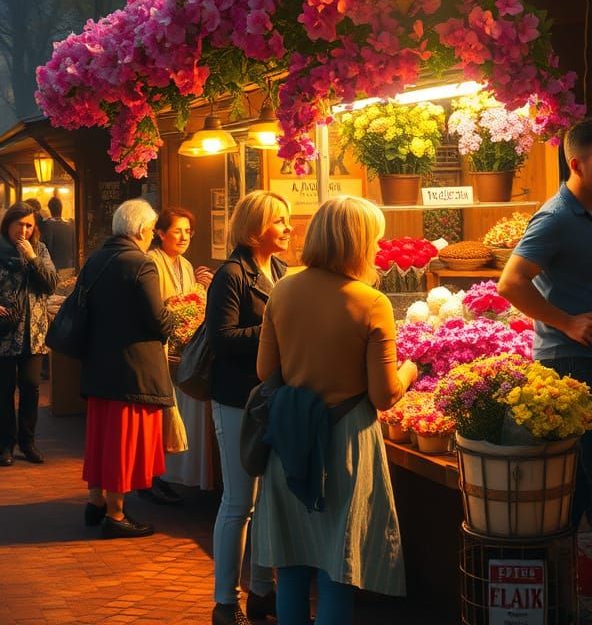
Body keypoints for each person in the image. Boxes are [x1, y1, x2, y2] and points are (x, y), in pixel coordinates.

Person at [250, 196, 417, 625]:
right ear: (358, 242)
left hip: (290, 438)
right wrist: (410, 370)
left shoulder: (283, 288)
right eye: (375, 239)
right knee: (337, 568)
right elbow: (384, 396)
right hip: (346, 445)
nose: (379, 247)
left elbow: (266, 370)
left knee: (291, 568)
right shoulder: (371, 302)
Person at [499, 116, 592, 525]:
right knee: (576, 483)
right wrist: (566, 322)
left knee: (580, 488)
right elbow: (511, 282)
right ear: (577, 165)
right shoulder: (555, 217)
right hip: (569, 363)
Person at [206, 191, 290, 624]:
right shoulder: (231, 275)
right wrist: (272, 328)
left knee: (268, 503)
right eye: (280, 221)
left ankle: (262, 591)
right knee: (238, 503)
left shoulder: (279, 269)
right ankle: (225, 602)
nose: (289, 229)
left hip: (272, 398)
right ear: (256, 226)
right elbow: (222, 340)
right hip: (238, 399)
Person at [79, 198, 174, 539]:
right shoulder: (141, 264)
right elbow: (157, 319)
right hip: (132, 368)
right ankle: (116, 513)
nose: (151, 237)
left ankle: (96, 500)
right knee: (122, 442)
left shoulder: (97, 259)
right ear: (139, 230)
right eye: (150, 231)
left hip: (99, 364)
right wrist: (176, 314)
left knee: (101, 437)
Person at [0, 201, 57, 466]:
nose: (25, 231)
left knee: (31, 387)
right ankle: (6, 444)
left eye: (30, 225)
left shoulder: (39, 250)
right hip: (3, 333)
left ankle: (28, 442)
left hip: (33, 333)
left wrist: (32, 258)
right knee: (4, 390)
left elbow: (50, 284)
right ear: (8, 225)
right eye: (20, 225)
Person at [143, 207, 214, 505]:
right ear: (160, 233)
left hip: (182, 351)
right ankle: (150, 477)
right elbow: (154, 308)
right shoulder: (150, 262)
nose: (184, 237)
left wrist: (203, 290)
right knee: (159, 414)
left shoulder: (185, 265)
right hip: (158, 348)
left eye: (188, 231)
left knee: (176, 414)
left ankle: (170, 474)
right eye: (177, 231)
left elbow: (192, 308)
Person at [40, 196, 75, 274]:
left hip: (54, 267)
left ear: (49, 209)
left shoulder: (47, 225)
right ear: (61, 208)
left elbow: (47, 246)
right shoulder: (71, 224)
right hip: (70, 266)